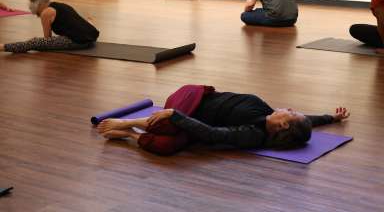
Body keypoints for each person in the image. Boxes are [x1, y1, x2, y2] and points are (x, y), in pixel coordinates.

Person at [97, 85, 350, 156]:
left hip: (189, 115)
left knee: (168, 146)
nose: (291, 108)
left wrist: (176, 115)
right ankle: (126, 123)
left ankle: (129, 134)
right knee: (168, 126)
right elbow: (310, 122)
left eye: (292, 113)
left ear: (284, 125)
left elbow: (212, 135)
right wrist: (332, 117)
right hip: (191, 96)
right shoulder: (269, 112)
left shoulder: (252, 135)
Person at [0, 0, 99, 53]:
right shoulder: (61, 5)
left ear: (39, 4)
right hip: (90, 37)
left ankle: (3, 47)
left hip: (78, 41)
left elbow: (47, 39)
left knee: (34, 42)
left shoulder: (46, 13)